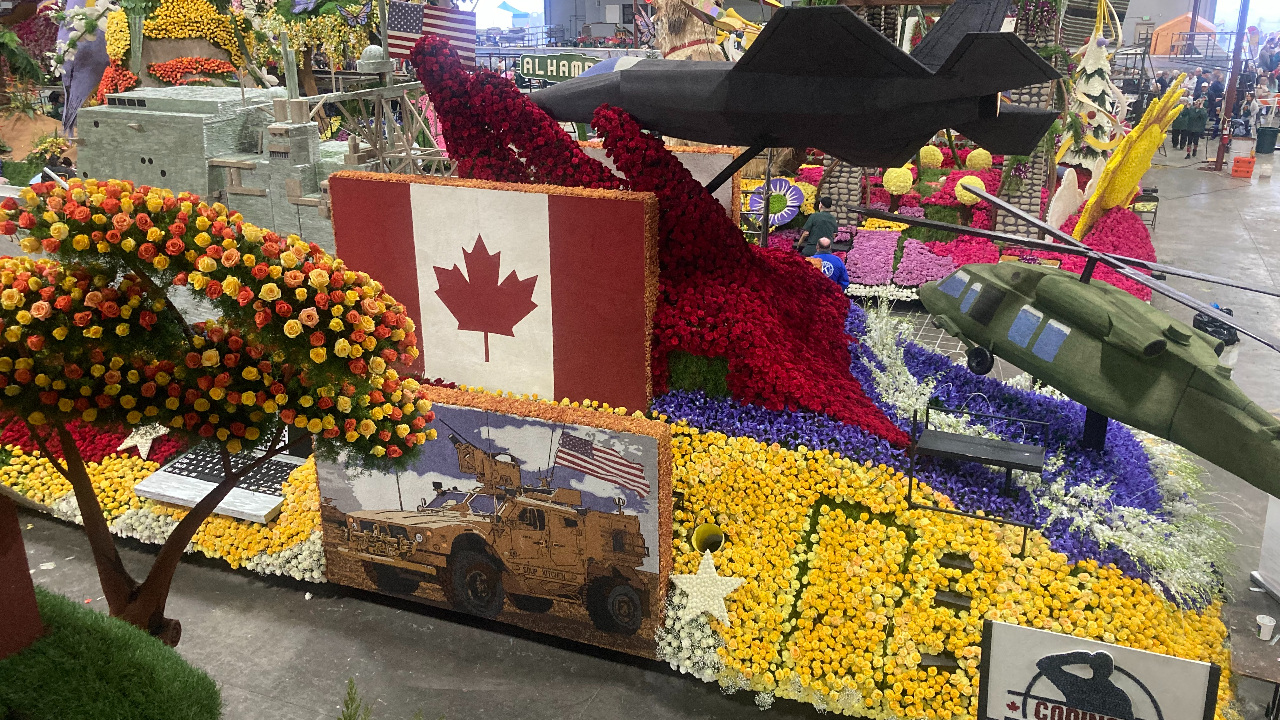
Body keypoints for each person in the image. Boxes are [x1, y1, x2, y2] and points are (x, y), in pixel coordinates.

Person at [1036, 652, 1136, 720]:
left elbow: (1045, 664)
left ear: (1091, 667)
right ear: (1111, 671)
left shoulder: (1077, 686)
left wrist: (1081, 658)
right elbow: (1044, 664)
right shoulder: (1120, 697)